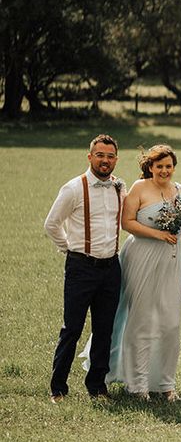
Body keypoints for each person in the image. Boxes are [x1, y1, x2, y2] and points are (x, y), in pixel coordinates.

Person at [100, 144, 181, 400]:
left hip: (172, 261)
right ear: (150, 167)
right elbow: (126, 222)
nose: (164, 171)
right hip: (142, 257)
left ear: (174, 167)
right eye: (159, 166)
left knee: (171, 323)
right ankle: (136, 385)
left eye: (168, 166)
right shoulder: (140, 188)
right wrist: (158, 234)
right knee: (141, 321)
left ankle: (164, 384)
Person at [44, 135, 125, 402]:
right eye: (100, 155)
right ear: (89, 157)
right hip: (81, 267)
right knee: (73, 327)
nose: (105, 160)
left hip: (111, 267)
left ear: (116, 159)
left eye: (110, 156)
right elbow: (52, 224)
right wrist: (69, 249)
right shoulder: (73, 189)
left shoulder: (119, 188)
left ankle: (97, 386)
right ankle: (58, 388)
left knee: (105, 328)